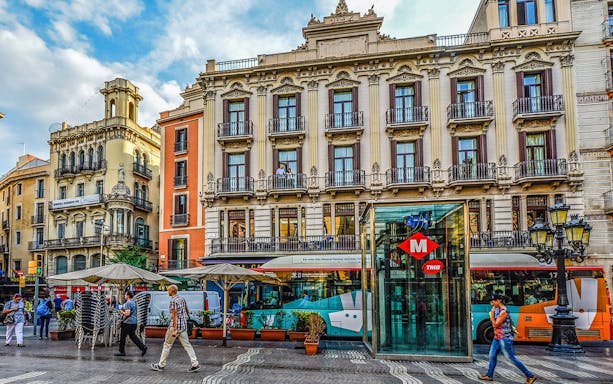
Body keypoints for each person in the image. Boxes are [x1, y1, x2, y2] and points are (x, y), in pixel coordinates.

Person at [479, 294, 536, 384]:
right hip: (497, 338)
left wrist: (492, 315)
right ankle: (489, 375)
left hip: (504, 339)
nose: (491, 303)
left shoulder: (503, 311)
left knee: (511, 358)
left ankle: (530, 376)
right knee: (492, 355)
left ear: (499, 301)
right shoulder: (496, 309)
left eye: (493, 301)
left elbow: (495, 324)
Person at [150, 285, 200, 372]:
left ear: (172, 291)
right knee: (187, 345)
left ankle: (161, 365)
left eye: (168, 290)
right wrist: (186, 319)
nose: (167, 292)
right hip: (183, 326)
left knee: (167, 345)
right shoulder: (181, 298)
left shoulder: (173, 301)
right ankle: (195, 363)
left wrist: (175, 329)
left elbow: (174, 316)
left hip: (175, 327)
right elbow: (187, 310)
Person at [115, 291, 147, 357]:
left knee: (123, 337)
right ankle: (143, 347)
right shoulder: (134, 302)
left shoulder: (128, 303)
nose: (125, 295)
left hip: (128, 322)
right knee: (133, 336)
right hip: (134, 322)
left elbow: (127, 313)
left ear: (128, 296)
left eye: (125, 294)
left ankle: (122, 352)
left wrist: (122, 312)